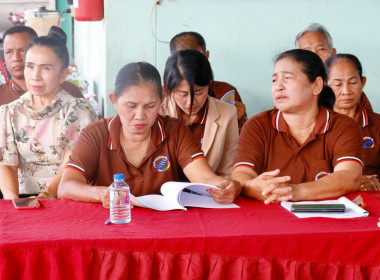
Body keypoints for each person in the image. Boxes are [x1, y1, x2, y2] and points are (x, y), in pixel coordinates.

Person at [58, 62, 240, 206]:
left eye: (150, 106)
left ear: (161, 100)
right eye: (131, 106)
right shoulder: (96, 134)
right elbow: (66, 186)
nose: (140, 116)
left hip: (165, 227)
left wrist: (227, 187)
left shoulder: (174, 130)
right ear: (114, 100)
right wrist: (101, 194)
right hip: (114, 222)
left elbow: (205, 178)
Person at [232, 49, 363, 204]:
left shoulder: (344, 127)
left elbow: (349, 177)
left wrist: (295, 191)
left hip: (325, 220)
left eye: (287, 78)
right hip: (271, 217)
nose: (278, 86)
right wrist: (252, 186)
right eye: (274, 80)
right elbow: (242, 173)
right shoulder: (257, 125)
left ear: (317, 86)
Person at [0, 27, 98, 199]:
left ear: (62, 75)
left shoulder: (78, 110)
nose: (35, 76)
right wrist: (14, 201)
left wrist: (45, 197)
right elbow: (7, 164)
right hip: (23, 198)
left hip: (68, 196)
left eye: (45, 68)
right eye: (30, 66)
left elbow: (73, 162)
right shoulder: (10, 112)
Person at [160, 49, 239, 177]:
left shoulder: (227, 113)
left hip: (207, 191)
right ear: (170, 89)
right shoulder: (157, 112)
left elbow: (227, 171)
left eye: (199, 92)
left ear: (209, 85)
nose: (191, 102)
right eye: (183, 94)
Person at [170, 31, 247, 130]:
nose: (191, 65)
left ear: (206, 56)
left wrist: (240, 122)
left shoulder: (226, 93)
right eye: (183, 93)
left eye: (199, 92)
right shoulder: (160, 97)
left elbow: (239, 141)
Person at [325, 53, 380, 191]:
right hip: (324, 196)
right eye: (337, 84)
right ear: (323, 85)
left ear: (363, 83)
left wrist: (375, 183)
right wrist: (348, 180)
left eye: (353, 82)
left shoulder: (377, 125)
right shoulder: (313, 124)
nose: (346, 91)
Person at [295, 23, 372, 111]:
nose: (315, 55)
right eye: (307, 51)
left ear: (333, 53)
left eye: (321, 49)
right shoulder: (292, 89)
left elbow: (368, 121)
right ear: (298, 59)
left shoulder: (349, 90)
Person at [0, 25, 84, 106]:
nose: (15, 58)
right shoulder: (5, 104)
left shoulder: (69, 91)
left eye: (22, 50)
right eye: (9, 52)